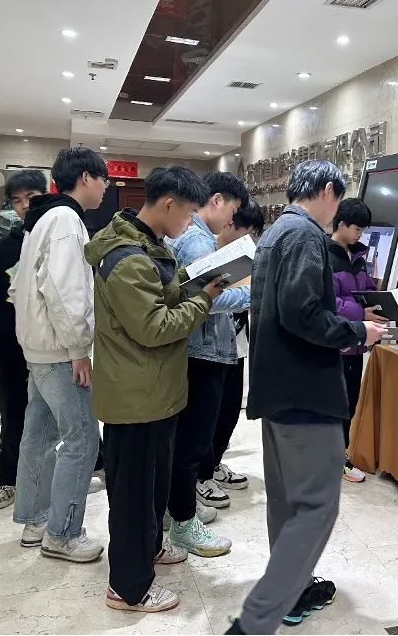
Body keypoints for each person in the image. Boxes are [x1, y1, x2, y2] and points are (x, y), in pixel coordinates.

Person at [226, 160, 387, 635]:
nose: (338, 209)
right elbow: (302, 313)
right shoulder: (304, 235)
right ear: (326, 189)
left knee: (287, 500)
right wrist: (358, 331)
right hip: (304, 391)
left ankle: (293, 589)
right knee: (315, 504)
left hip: (279, 387)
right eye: (339, 198)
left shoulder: (277, 232)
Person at [84, 165, 227, 614]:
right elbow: (153, 327)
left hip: (156, 392)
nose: (190, 222)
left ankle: (150, 549)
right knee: (132, 496)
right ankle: (128, 589)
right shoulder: (127, 258)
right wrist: (204, 299)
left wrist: (196, 284)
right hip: (135, 398)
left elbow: (163, 298)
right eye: (188, 213)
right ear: (168, 204)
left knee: (153, 487)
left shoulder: (152, 246)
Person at [9, 147, 109, 563]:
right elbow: (66, 292)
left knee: (41, 433)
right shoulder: (66, 219)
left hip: (38, 345)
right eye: (103, 179)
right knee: (81, 439)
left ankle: (36, 519)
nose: (105, 188)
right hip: (58, 349)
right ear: (86, 177)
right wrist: (79, 349)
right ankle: (62, 534)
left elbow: (19, 284)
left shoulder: (43, 217)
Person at [167, 171, 250, 558]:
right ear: (216, 200)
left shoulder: (188, 235)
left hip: (193, 349)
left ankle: (177, 510)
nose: (231, 219)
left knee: (184, 440)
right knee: (193, 441)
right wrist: (250, 294)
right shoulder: (198, 239)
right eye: (232, 210)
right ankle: (184, 522)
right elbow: (208, 299)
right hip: (203, 351)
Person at [0, 169, 47, 510]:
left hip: (50, 346)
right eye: (17, 201)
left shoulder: (56, 239)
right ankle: (8, 482)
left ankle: (93, 465)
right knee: (13, 414)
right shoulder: (8, 247)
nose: (23, 206)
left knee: (64, 414)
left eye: (30, 198)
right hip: (12, 349)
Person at [197, 200, 265, 494]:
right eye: (246, 232)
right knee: (205, 417)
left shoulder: (243, 257)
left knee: (228, 411)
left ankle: (213, 465)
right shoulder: (204, 251)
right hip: (208, 347)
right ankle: (200, 477)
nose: (248, 240)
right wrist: (251, 295)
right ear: (230, 224)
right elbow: (209, 301)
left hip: (235, 345)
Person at [328, 197, 388, 483]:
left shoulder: (359, 257)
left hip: (356, 342)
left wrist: (380, 303)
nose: (360, 235)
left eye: (363, 230)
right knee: (333, 403)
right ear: (341, 224)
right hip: (334, 343)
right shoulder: (325, 256)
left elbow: (365, 291)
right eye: (357, 229)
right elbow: (327, 302)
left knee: (350, 401)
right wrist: (360, 312)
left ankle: (340, 455)